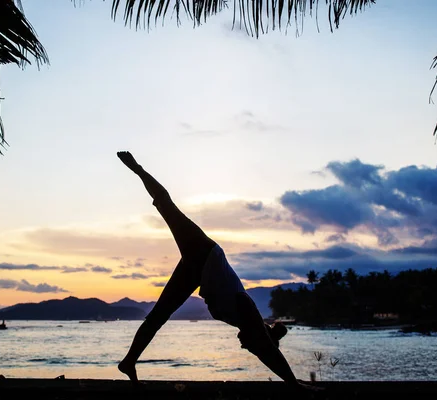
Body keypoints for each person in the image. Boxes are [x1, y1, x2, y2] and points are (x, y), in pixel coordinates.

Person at [116, 151, 317, 391]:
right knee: (166, 205)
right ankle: (138, 168)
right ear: (261, 336)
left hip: (198, 269)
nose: (243, 347)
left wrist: (292, 380)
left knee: (159, 315)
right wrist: (295, 384)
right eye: (249, 345)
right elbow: (266, 351)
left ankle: (129, 361)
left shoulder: (242, 321)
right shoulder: (247, 311)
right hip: (204, 253)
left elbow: (263, 349)